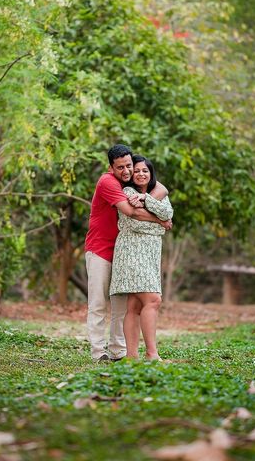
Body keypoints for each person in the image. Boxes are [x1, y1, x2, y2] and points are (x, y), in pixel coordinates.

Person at [85, 145, 172, 362]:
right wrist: (160, 220)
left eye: (129, 166)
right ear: (111, 167)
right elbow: (130, 212)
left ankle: (119, 351)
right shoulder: (109, 182)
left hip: (123, 251)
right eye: (120, 167)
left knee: (122, 307)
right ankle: (98, 352)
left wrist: (148, 199)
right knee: (97, 303)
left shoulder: (132, 179)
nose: (126, 171)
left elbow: (160, 187)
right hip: (100, 249)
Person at [110, 155, 173, 361]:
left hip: (151, 253)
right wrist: (159, 223)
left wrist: (147, 200)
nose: (140, 174)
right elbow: (136, 221)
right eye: (136, 171)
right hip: (132, 251)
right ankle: (152, 353)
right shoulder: (127, 192)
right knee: (153, 300)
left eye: (144, 170)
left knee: (135, 306)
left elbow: (168, 213)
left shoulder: (154, 195)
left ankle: (131, 356)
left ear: (151, 173)